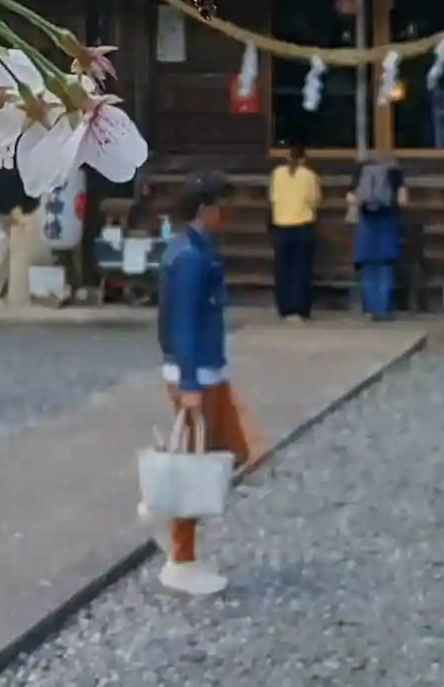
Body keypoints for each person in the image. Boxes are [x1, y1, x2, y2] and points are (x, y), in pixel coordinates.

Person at [153, 171, 258, 596]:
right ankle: (181, 557)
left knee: (227, 453)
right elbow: (181, 325)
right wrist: (190, 382)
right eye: (222, 205)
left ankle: (173, 530)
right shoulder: (190, 258)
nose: (227, 213)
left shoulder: (193, 250)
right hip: (195, 372)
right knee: (196, 466)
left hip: (204, 369)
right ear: (205, 208)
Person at [347, 149, 408, 319]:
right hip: (387, 221)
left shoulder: (361, 169)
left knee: (368, 266)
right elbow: (403, 200)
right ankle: (382, 309)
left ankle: (371, 307)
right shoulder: (395, 171)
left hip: (366, 222)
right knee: (384, 266)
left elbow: (351, 197)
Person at [267, 143, 322, 322]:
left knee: (282, 269)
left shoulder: (277, 174)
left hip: (281, 225)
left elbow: (272, 198)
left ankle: (284, 307)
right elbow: (314, 201)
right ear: (303, 159)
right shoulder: (309, 176)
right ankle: (300, 308)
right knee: (301, 270)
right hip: (302, 225)